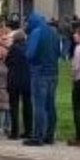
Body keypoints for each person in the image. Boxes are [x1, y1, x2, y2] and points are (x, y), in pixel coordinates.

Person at [24, 12, 60, 147]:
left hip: (39, 73)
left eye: (28, 22)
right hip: (54, 73)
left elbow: (30, 54)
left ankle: (38, 136)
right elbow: (59, 53)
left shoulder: (36, 32)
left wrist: (27, 55)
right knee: (51, 105)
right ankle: (50, 135)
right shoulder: (54, 32)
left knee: (39, 105)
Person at [6, 30, 32, 140]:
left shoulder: (13, 48)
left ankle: (14, 132)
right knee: (28, 106)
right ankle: (28, 130)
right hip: (27, 79)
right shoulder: (29, 47)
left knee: (14, 106)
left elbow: (7, 61)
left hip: (14, 79)